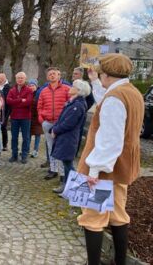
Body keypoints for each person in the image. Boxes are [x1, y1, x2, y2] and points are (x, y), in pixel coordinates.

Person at [77, 54, 144, 265]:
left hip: (104, 171)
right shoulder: (131, 92)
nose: (99, 76)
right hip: (121, 167)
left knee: (93, 219)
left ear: (107, 74)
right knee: (118, 214)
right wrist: (94, 82)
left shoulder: (116, 98)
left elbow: (109, 139)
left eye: (100, 74)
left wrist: (93, 172)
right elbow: (105, 101)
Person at [50, 79, 90, 194]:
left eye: (73, 86)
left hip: (69, 138)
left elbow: (69, 123)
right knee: (67, 163)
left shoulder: (78, 105)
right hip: (65, 137)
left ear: (78, 90)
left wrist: (56, 130)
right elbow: (62, 118)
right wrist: (53, 128)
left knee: (68, 164)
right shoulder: (73, 103)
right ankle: (68, 187)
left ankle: (72, 188)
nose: (70, 88)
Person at [37, 67, 70, 180]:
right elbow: (39, 106)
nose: (52, 76)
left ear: (59, 75)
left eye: (54, 74)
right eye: (50, 74)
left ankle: (62, 173)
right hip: (48, 123)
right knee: (51, 147)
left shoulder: (66, 89)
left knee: (60, 148)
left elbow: (70, 105)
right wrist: (42, 120)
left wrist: (65, 120)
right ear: (47, 77)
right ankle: (53, 170)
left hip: (61, 124)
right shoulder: (43, 91)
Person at [6, 72, 33, 164]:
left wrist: (15, 102)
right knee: (14, 137)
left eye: (22, 78)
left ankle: (24, 155)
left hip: (25, 117)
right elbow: (8, 101)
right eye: (18, 78)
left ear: (25, 79)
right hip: (14, 117)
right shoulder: (12, 90)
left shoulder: (29, 90)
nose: (20, 79)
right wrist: (21, 100)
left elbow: (29, 102)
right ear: (16, 79)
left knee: (26, 137)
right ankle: (14, 155)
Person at [28, 79, 42, 158]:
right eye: (30, 86)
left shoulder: (39, 94)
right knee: (28, 134)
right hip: (29, 117)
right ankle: (27, 149)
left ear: (36, 86)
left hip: (37, 117)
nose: (31, 87)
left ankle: (35, 150)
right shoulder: (28, 94)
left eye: (33, 85)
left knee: (37, 134)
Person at [0, 73, 11, 151]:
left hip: (5, 111)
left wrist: (9, 114)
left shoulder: (8, 87)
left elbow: (8, 101)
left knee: (3, 127)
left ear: (3, 79)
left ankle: (5, 144)